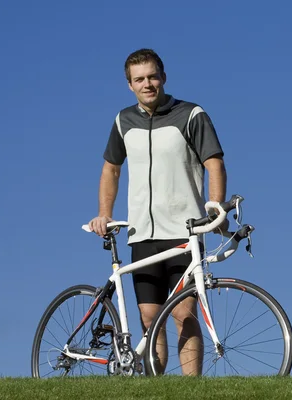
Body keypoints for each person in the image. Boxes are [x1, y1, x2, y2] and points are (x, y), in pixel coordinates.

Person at [88, 48, 228, 376]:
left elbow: (214, 163)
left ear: (163, 77)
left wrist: (215, 207)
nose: (147, 84)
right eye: (139, 79)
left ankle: (191, 388)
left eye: (152, 76)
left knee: (184, 313)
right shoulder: (123, 121)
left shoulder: (192, 115)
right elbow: (111, 169)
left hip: (184, 230)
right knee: (150, 318)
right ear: (130, 85)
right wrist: (103, 213)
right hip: (143, 234)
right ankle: (157, 387)